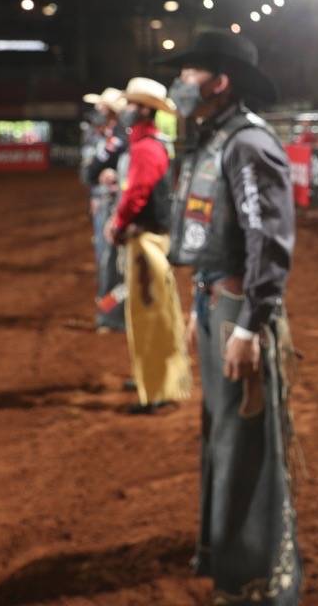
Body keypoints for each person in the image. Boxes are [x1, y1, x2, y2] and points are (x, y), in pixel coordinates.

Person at [165, 30, 301, 605]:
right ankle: (225, 552)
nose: (180, 83)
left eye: (190, 71)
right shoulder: (217, 138)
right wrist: (204, 300)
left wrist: (248, 322)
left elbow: (266, 241)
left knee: (242, 437)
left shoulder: (245, 143)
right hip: (216, 300)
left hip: (238, 307)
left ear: (219, 82)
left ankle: (253, 576)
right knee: (223, 433)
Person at [104, 78, 190, 413]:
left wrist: (117, 223)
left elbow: (136, 193)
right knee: (154, 313)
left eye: (129, 105)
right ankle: (153, 378)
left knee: (151, 314)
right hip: (151, 237)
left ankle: (156, 389)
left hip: (146, 240)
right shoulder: (150, 145)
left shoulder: (145, 148)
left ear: (142, 110)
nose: (124, 110)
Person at [84, 87, 129, 332]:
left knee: (112, 262)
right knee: (109, 262)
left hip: (114, 203)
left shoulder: (120, 136)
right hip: (107, 203)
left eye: (102, 107)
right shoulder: (104, 135)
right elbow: (88, 172)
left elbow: (91, 170)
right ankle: (110, 312)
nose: (98, 111)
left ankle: (112, 314)